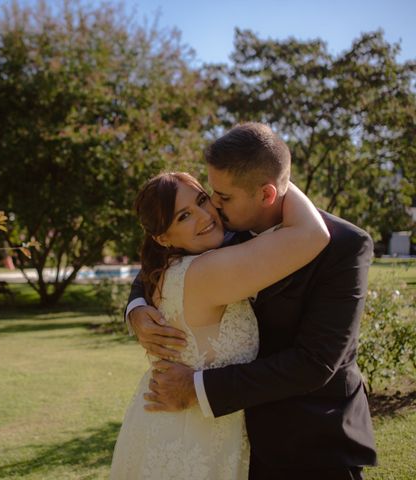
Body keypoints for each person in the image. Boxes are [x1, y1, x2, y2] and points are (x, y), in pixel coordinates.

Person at [126, 123, 377, 480]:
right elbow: (165, 261)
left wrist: (197, 388)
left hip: (312, 441)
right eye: (209, 193)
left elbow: (316, 362)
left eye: (222, 197)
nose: (212, 205)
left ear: (266, 194)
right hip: (236, 444)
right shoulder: (224, 229)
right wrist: (136, 308)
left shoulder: (346, 246)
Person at [110, 168, 330, 479]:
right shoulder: (207, 272)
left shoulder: (170, 268)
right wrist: (271, 170)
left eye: (202, 200)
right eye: (183, 217)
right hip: (192, 438)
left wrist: (134, 306)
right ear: (162, 237)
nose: (204, 217)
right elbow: (313, 235)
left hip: (169, 426)